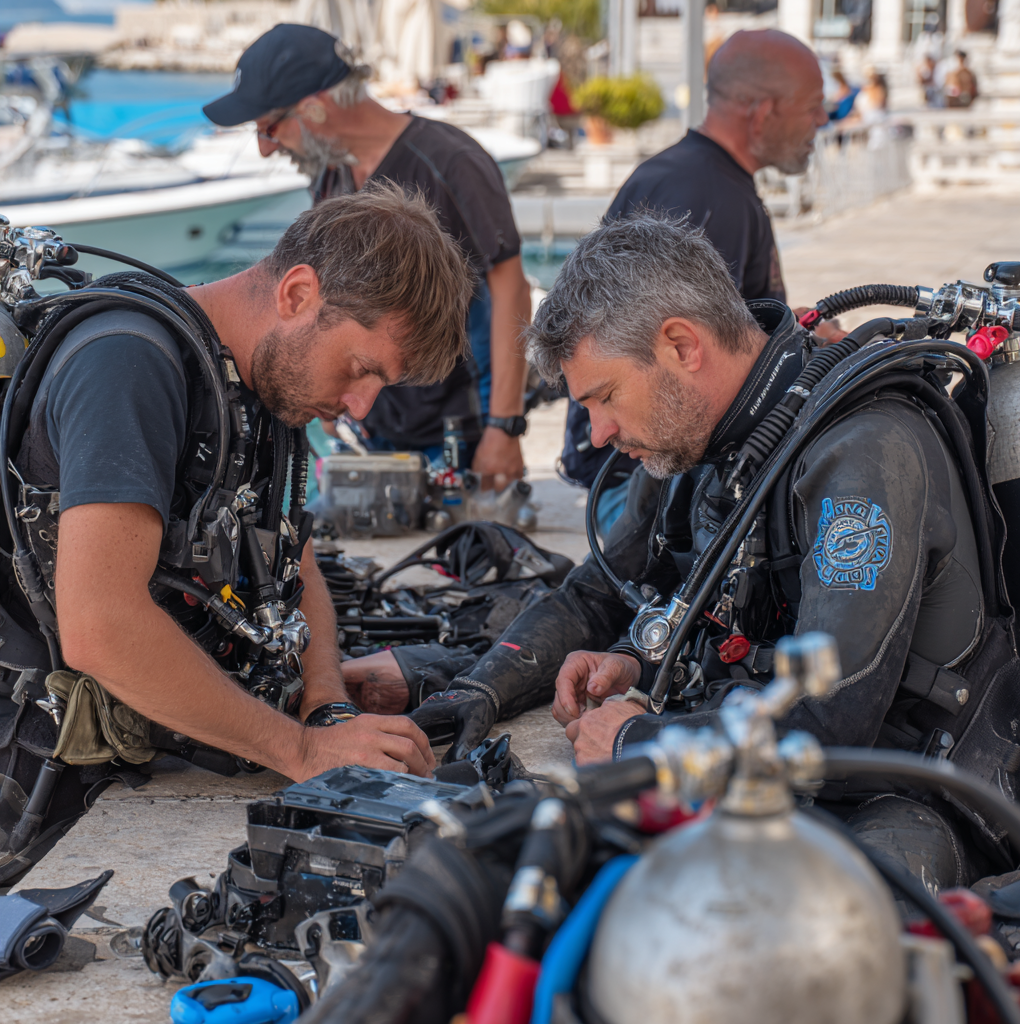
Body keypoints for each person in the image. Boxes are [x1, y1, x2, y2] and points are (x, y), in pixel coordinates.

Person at [415, 211, 1020, 890]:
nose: (597, 433)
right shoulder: (702, 440)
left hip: (911, 797)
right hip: (773, 761)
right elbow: (596, 590)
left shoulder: (864, 450)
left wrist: (634, 742)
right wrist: (485, 685)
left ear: (681, 345)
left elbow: (833, 721)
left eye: (605, 396)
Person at [0, 185, 472, 885]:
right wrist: (305, 753)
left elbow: (293, 557)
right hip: (32, 776)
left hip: (143, 742)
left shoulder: (255, 384)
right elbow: (101, 624)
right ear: (298, 292)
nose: (359, 407)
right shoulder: (129, 366)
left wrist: (327, 701)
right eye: (361, 370)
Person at [204, 24, 533, 490]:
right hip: (371, 426)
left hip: (458, 430)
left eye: (268, 127)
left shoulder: (451, 161)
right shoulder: (331, 176)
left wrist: (505, 424)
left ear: (315, 106)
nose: (264, 149)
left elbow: (512, 290)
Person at [561, 29, 831, 534]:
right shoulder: (704, 199)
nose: (822, 119)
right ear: (763, 110)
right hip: (644, 490)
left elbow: (729, 343)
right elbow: (681, 365)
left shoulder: (698, 180)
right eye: (813, 105)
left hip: (648, 477)